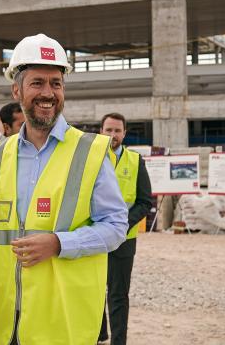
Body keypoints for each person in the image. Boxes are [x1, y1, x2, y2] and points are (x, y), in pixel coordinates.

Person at [0, 33, 129, 345]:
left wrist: (58, 243)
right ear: (17, 90)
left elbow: (116, 226)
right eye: (38, 83)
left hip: (64, 318)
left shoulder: (89, 151)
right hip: (9, 315)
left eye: (56, 83)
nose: (48, 93)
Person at [97, 112, 152, 344]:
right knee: (95, 290)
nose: (113, 135)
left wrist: (122, 224)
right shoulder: (92, 159)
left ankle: (118, 341)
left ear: (124, 133)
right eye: (108, 130)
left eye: (117, 130)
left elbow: (145, 201)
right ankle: (99, 335)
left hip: (123, 238)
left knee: (118, 294)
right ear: (101, 132)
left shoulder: (135, 160)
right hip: (96, 237)